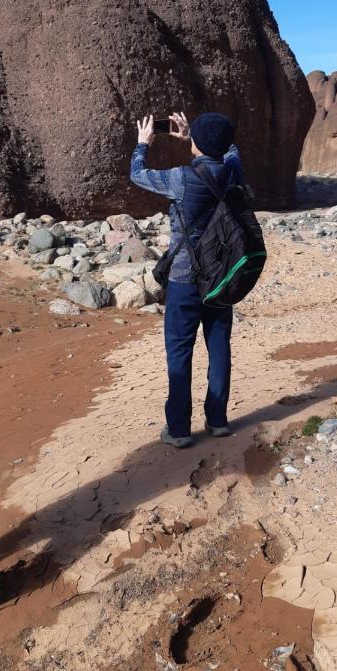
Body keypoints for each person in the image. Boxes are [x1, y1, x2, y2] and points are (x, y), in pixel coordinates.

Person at [130, 111, 244, 449]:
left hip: (184, 278)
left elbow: (137, 174)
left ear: (197, 142)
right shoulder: (232, 170)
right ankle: (218, 420)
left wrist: (142, 144)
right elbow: (230, 148)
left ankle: (179, 429)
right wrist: (195, 140)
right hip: (223, 277)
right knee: (219, 344)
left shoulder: (180, 178)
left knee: (180, 351)